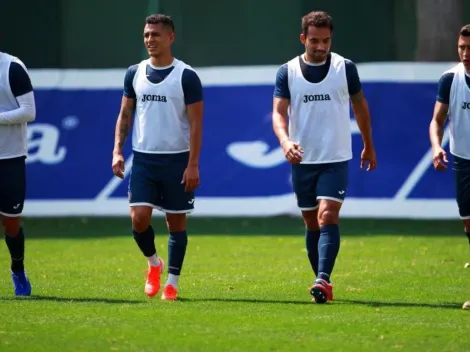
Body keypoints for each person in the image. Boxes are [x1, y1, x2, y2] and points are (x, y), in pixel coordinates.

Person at [272, 11, 376, 304]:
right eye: (314, 41)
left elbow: (361, 108)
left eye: (326, 41)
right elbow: (278, 113)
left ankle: (322, 279)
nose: (320, 46)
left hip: (335, 158)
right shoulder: (287, 71)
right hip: (302, 160)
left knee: (327, 215)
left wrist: (369, 144)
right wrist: (285, 141)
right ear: (303, 38)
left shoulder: (345, 68)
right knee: (311, 222)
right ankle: (321, 279)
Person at [112, 14, 203, 301]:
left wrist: (192, 164)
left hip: (177, 160)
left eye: (156, 35)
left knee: (176, 225)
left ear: (171, 38)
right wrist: (117, 150)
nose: (150, 39)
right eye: (147, 35)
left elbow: (197, 123)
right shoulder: (134, 73)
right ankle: (154, 264)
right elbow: (125, 114)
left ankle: (172, 283)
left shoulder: (186, 76)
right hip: (144, 160)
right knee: (139, 220)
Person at [429, 24, 470, 311]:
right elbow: (437, 120)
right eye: (462, 48)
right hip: (463, 160)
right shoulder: (450, 79)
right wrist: (436, 146)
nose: (465, 54)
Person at [0, 51, 36, 296]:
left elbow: (29, 111)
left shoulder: (12, 68)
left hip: (10, 157)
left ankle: (18, 270)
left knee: (11, 224)